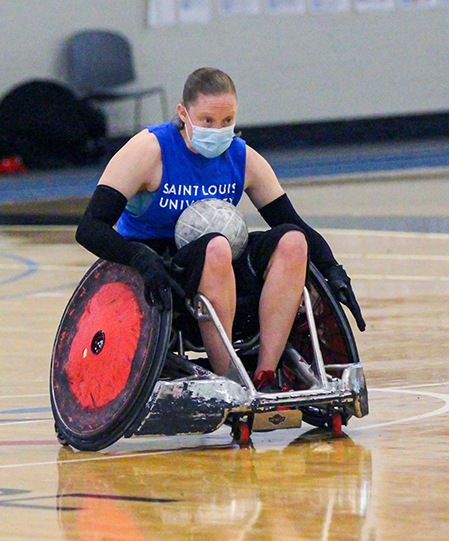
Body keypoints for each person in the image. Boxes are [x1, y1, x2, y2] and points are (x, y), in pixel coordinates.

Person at [75, 67, 365, 392]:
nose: (218, 129)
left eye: (227, 121)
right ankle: (230, 380)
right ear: (183, 113)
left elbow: (294, 222)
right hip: (160, 267)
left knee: (293, 242)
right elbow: (89, 228)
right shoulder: (149, 150)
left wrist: (332, 268)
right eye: (208, 120)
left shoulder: (242, 158)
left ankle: (265, 376)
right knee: (216, 247)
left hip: (221, 259)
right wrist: (141, 259)